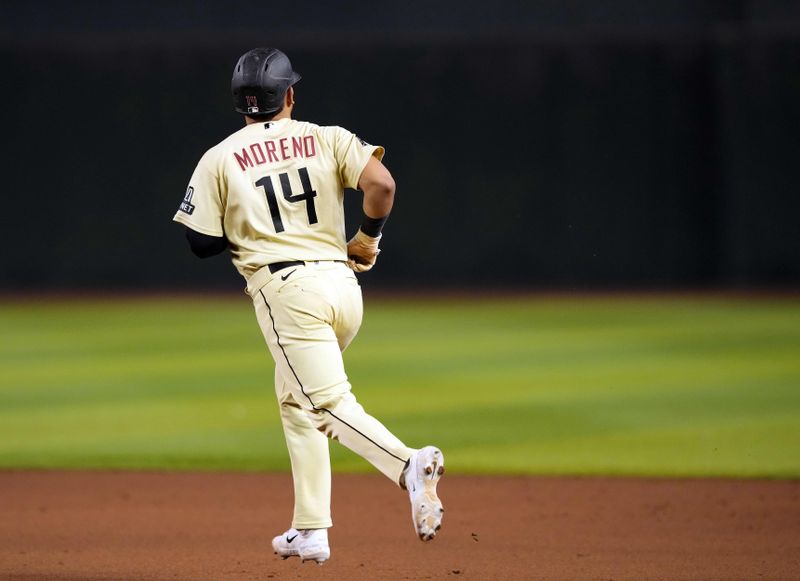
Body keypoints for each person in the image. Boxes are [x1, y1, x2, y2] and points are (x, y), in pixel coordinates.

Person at [172, 47, 445, 565]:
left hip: (288, 294)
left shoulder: (221, 156)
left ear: (240, 104)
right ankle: (311, 528)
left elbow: (200, 243)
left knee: (327, 403)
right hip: (343, 287)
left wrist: (246, 226)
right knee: (297, 400)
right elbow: (381, 185)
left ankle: (408, 465)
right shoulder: (327, 136)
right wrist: (366, 239)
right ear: (289, 95)